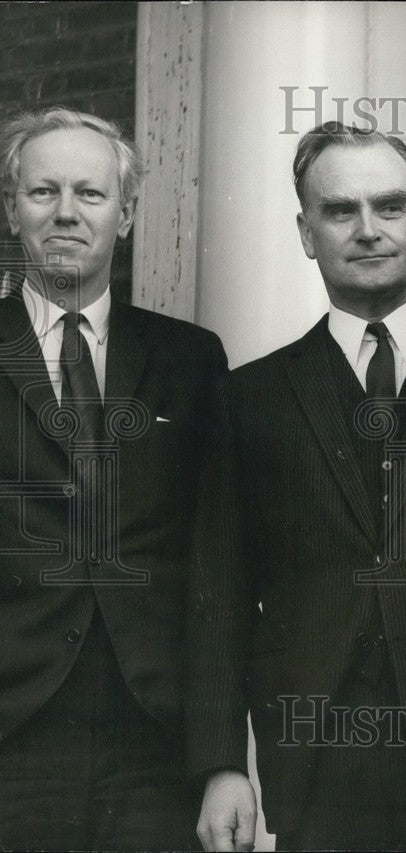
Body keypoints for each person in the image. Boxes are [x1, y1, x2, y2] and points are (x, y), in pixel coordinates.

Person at [186, 122, 406, 851]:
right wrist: (222, 762)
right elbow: (216, 596)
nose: (368, 229)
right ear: (305, 231)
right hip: (322, 773)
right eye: (340, 210)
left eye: (389, 206)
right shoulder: (246, 398)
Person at [0, 108, 227, 849]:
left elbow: (214, 566)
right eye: (44, 192)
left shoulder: (191, 360)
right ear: (11, 209)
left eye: (91, 194)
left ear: (125, 214)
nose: (66, 212)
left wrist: (223, 757)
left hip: (155, 740)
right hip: (13, 736)